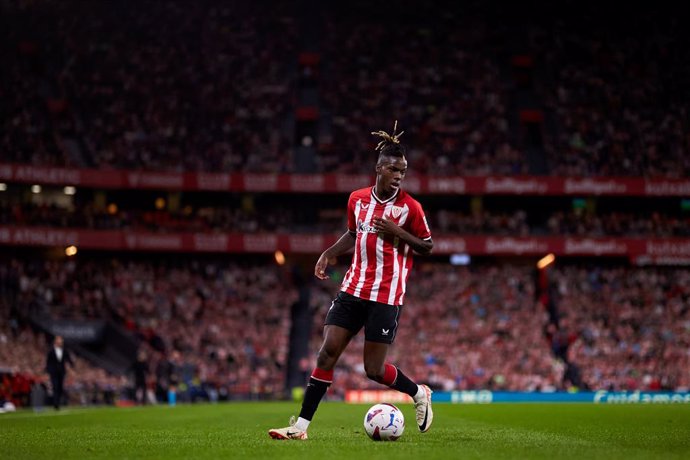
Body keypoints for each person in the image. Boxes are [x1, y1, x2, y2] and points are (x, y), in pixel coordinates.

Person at [269, 122, 434, 440]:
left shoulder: (410, 208)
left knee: (374, 369)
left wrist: (397, 232)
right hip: (353, 287)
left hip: (386, 294)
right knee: (326, 353)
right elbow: (353, 232)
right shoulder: (356, 199)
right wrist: (329, 253)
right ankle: (300, 428)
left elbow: (427, 246)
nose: (399, 176)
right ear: (379, 168)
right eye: (393, 169)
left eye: (403, 171)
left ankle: (418, 393)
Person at [45, 335, 74, 410]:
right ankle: (56, 404)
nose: (60, 342)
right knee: (55, 386)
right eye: (59, 340)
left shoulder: (64, 350)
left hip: (61, 372)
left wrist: (71, 366)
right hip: (53, 372)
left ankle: (57, 402)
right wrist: (48, 371)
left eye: (61, 340)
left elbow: (69, 359)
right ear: (55, 341)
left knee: (60, 387)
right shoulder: (51, 351)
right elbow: (48, 362)